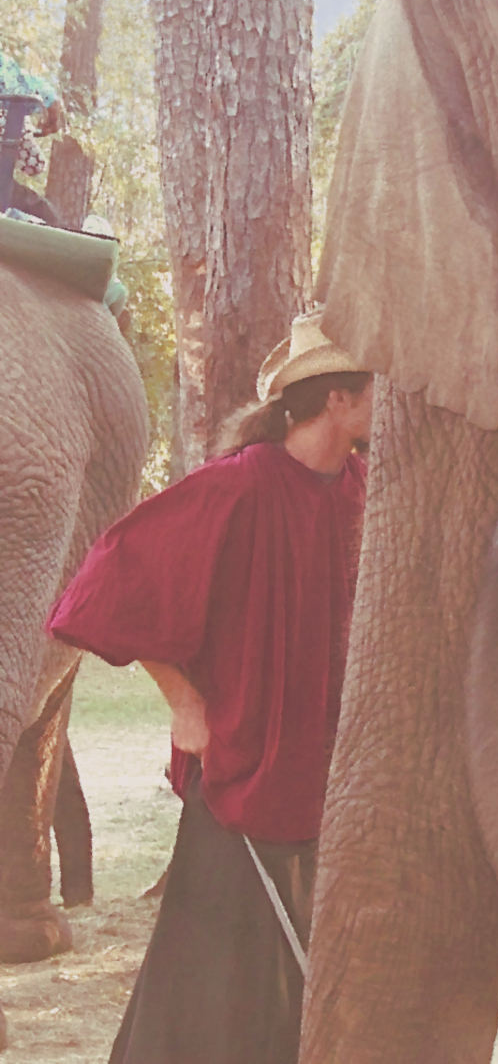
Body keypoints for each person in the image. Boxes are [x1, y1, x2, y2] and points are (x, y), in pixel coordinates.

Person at [47, 307, 371, 1064]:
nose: (380, 399)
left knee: (290, 987)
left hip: (326, 778)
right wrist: (184, 700)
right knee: (205, 986)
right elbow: (105, 584)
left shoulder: (362, 489)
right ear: (337, 399)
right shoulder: (237, 488)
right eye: (371, 387)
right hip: (241, 773)